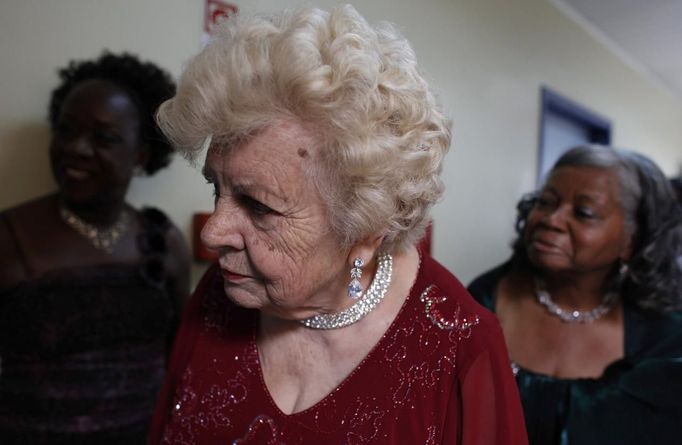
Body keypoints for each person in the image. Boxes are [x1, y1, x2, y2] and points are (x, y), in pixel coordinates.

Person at [148, 5, 528, 444]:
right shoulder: (221, 293)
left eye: (258, 206)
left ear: (365, 231)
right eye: (217, 188)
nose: (213, 233)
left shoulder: (462, 351)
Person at [0, 52, 190, 443]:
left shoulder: (163, 241)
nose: (78, 149)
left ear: (140, 155)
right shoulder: (8, 236)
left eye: (103, 137)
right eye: (66, 130)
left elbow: (179, 359)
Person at [468, 145, 682, 445]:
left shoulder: (665, 339)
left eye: (584, 212)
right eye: (545, 202)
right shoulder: (480, 302)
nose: (551, 219)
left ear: (632, 241)